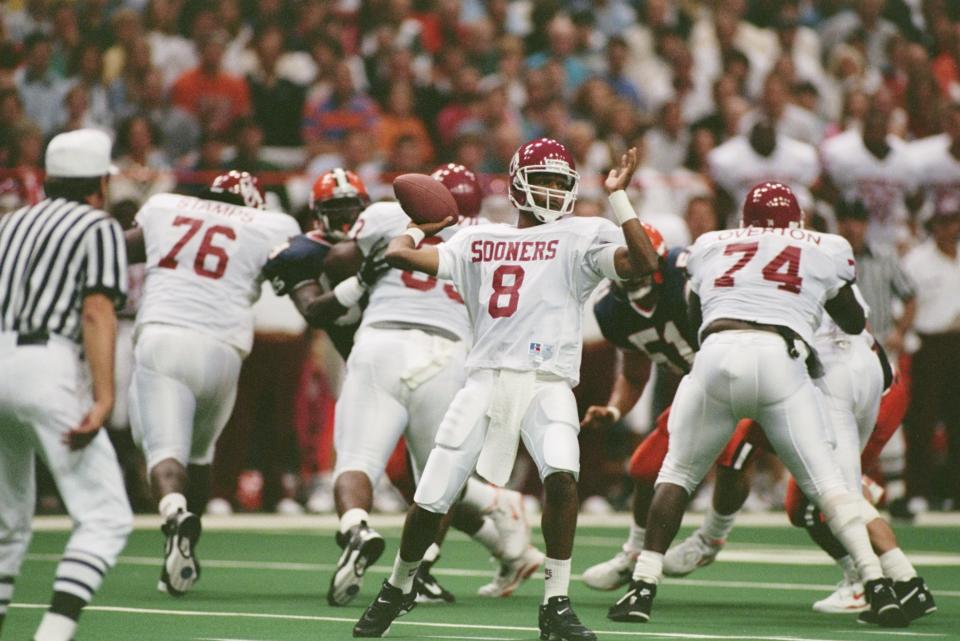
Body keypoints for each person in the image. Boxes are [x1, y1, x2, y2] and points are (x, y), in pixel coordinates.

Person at [352, 139, 661, 640]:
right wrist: (419, 226)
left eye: (563, 181)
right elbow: (398, 255)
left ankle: (555, 602)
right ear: (518, 184)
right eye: (544, 179)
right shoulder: (477, 239)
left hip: (547, 382)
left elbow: (643, 262)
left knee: (562, 475)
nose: (555, 190)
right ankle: (398, 586)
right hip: (485, 379)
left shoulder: (581, 234)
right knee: (432, 496)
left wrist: (619, 199)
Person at [611, 181, 907, 628]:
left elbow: (697, 317)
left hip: (715, 353)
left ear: (745, 220)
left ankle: (641, 588)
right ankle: (876, 585)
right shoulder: (824, 246)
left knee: (677, 476)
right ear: (796, 221)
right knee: (828, 483)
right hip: (777, 360)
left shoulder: (711, 244)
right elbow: (850, 320)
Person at [264, 166, 541, 606]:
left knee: (358, 461)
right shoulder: (492, 237)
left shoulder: (387, 218)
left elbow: (336, 262)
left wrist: (365, 263)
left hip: (381, 342)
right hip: (450, 355)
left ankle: (357, 526)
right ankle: (449, 558)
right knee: (436, 479)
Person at [124, 170, 300, 596]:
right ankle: (184, 550)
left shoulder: (166, 207)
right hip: (224, 350)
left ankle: (172, 510)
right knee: (200, 456)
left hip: (165, 337)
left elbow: (118, 247)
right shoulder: (270, 224)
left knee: (162, 451)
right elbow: (299, 267)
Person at [0, 129, 132, 641]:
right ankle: (52, 634)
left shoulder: (10, 224)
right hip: (44, 363)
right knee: (106, 518)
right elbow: (97, 311)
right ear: (99, 181)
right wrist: (103, 398)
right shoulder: (96, 226)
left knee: (8, 526)